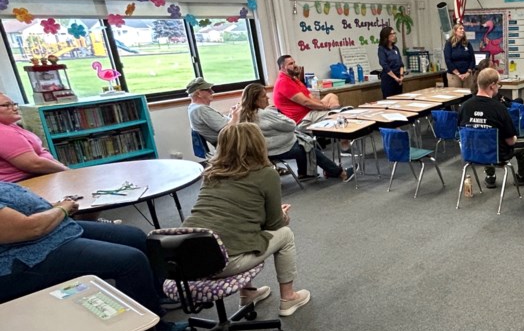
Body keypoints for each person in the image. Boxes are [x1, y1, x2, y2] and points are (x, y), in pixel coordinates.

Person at [182, 123, 310, 317]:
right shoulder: (266, 174)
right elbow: (274, 225)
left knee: (236, 229)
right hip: (224, 261)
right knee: (285, 235)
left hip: (187, 258)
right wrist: (281, 215)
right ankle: (288, 298)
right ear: (259, 144)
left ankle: (248, 294)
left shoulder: (210, 173)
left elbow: (228, 214)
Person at [0, 181, 170, 318]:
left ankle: (157, 295)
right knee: (131, 261)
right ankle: (152, 329)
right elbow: (30, 229)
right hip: (23, 257)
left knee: (134, 236)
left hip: (50, 232)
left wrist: (54, 207)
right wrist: (62, 208)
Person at [238, 83, 353, 182]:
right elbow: (291, 125)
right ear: (256, 100)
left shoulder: (243, 114)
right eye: (264, 96)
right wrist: (276, 114)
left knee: (302, 142)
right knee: (307, 145)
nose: (268, 98)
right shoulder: (265, 113)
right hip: (277, 148)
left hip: (265, 149)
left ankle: (305, 173)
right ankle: (340, 173)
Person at [458, 67, 524, 188]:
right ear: (492, 86)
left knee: (484, 140)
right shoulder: (499, 108)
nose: (499, 87)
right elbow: (510, 141)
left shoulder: (464, 107)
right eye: (498, 84)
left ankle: (490, 177)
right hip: (497, 154)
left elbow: (460, 132)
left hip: (471, 152)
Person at [0, 93, 68, 182]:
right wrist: (68, 172)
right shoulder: (3, 132)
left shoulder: (10, 126)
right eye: (6, 105)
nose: (15, 108)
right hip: (25, 182)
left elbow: (40, 153)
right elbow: (35, 164)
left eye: (13, 104)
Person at [273, 55, 341, 129]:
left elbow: (310, 97)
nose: (295, 65)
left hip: (311, 111)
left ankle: (337, 112)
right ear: (282, 67)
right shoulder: (283, 82)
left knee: (331, 96)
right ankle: (338, 117)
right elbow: (306, 102)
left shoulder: (294, 79)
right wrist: (324, 107)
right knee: (336, 116)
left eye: (294, 62)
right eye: (290, 64)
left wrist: (321, 104)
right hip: (303, 118)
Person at [185, 77, 239, 146]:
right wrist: (235, 116)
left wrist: (231, 114)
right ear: (198, 93)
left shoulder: (193, 107)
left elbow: (223, 124)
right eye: (208, 90)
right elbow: (227, 131)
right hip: (230, 145)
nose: (212, 92)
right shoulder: (201, 110)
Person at [443, 23, 476, 90]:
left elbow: (472, 60)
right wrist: (458, 74)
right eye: (460, 29)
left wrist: (468, 73)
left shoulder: (467, 43)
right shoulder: (449, 43)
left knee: (468, 95)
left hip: (467, 76)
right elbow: (448, 60)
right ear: (455, 31)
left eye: (463, 29)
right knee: (456, 96)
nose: (463, 30)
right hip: (454, 75)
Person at [377, 26, 404, 98]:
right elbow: (384, 65)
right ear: (386, 36)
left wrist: (401, 76)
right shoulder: (382, 49)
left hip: (398, 79)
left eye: (394, 33)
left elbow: (401, 63)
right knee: (390, 101)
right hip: (388, 80)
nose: (394, 36)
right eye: (391, 34)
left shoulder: (395, 48)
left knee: (399, 100)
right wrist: (395, 77)